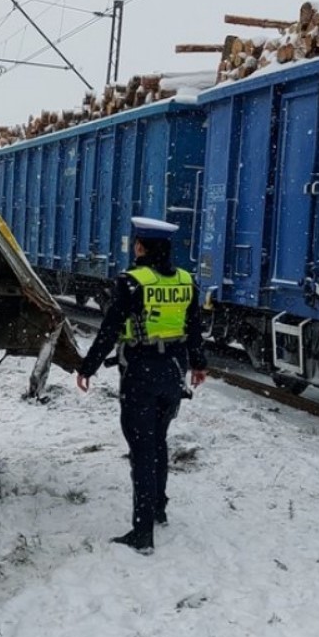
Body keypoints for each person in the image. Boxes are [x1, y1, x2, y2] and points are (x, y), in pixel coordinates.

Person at [75, 216, 207, 554]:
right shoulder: (186, 281)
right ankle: (158, 508)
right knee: (158, 441)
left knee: (142, 449)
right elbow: (194, 327)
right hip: (173, 373)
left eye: (136, 243)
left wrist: (88, 367)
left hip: (140, 374)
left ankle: (142, 532)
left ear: (141, 247)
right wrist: (199, 364)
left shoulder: (132, 283)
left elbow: (109, 330)